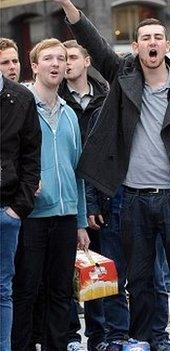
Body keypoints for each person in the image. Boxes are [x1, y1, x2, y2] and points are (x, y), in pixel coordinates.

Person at [54, 0, 170, 349]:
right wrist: (69, 7)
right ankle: (153, 340)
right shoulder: (125, 78)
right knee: (142, 280)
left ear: (167, 45)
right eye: (145, 37)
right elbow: (96, 45)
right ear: (136, 47)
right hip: (133, 198)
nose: (152, 42)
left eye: (158, 37)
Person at [11, 38, 89, 351]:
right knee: (27, 290)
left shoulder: (70, 114)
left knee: (61, 292)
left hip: (66, 216)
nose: (56, 64)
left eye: (61, 59)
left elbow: (77, 170)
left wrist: (81, 219)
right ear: (35, 65)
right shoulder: (20, 106)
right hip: (31, 215)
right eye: (48, 59)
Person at [56, 39, 109, 351]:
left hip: (102, 198)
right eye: (64, 58)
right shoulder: (56, 99)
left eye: (73, 57)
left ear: (87, 61)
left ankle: (100, 335)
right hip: (69, 194)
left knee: (96, 268)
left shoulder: (105, 97)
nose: (67, 63)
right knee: (67, 272)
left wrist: (95, 200)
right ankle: (72, 335)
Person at [0, 42, 41, 351]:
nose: (11, 65)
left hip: (6, 210)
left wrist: (18, 207)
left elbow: (31, 158)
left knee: (3, 289)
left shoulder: (22, 98)